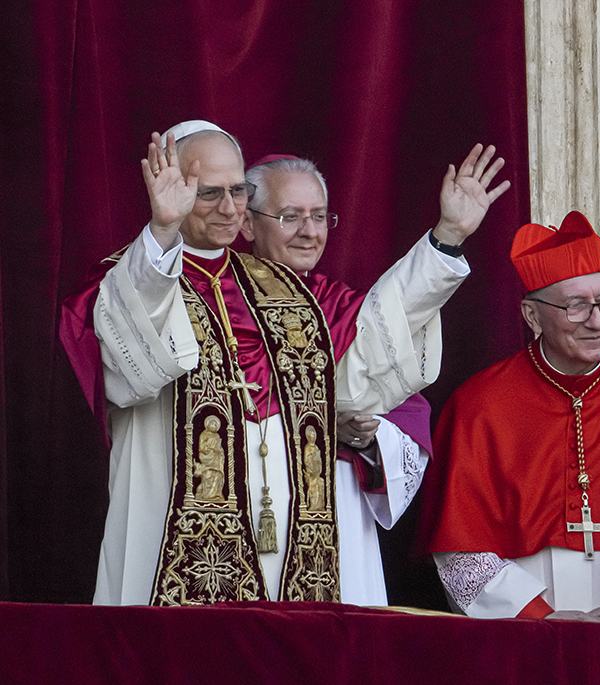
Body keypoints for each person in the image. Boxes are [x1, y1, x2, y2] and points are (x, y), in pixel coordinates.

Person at [62, 120, 508, 606]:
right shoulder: (132, 275)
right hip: (173, 540)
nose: (230, 208)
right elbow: (137, 360)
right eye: (209, 193)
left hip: (291, 545)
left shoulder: (287, 289)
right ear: (171, 189)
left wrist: (445, 239)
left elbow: (373, 353)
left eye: (237, 191)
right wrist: (163, 229)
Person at [419, 211, 600, 622]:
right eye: (576, 306)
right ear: (532, 316)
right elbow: (461, 552)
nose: (597, 320)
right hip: (523, 629)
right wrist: (539, 618)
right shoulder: (480, 405)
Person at [240, 153, 435, 605]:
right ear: (248, 225)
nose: (310, 231)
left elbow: (406, 412)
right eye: (291, 216)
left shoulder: (349, 310)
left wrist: (366, 437)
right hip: (245, 509)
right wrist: (327, 424)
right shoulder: (216, 307)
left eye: (320, 216)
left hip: (337, 517)